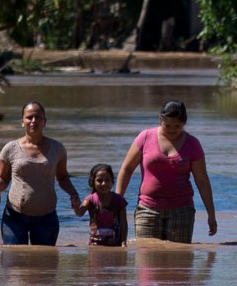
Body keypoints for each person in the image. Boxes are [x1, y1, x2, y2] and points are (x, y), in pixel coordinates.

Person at [114, 99, 217, 243]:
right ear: (160, 119)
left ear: (185, 122)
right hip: (147, 209)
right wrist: (116, 202)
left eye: (177, 126)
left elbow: (202, 181)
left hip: (182, 211)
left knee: (179, 261)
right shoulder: (145, 137)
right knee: (146, 258)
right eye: (167, 125)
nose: (172, 129)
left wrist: (211, 214)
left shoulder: (193, 144)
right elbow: (127, 169)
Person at [0, 101, 71, 246]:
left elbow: (63, 177)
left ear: (45, 122)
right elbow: (3, 178)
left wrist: (73, 194)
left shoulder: (58, 148)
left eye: (38, 117)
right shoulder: (10, 148)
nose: (33, 121)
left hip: (47, 218)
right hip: (14, 217)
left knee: (44, 265)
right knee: (14, 264)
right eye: (29, 117)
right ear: (22, 122)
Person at [80, 163, 128, 248]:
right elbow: (80, 213)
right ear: (93, 182)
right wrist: (75, 205)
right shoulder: (90, 199)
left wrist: (123, 242)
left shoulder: (119, 200)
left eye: (107, 180)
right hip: (94, 246)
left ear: (112, 181)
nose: (104, 183)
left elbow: (123, 223)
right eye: (99, 180)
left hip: (115, 245)